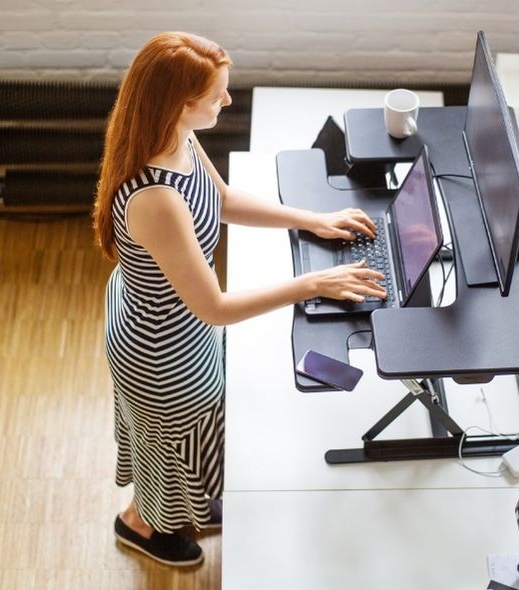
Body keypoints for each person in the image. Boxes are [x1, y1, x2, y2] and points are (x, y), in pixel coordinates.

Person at [92, 32, 386, 567]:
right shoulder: (156, 200)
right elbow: (217, 308)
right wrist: (315, 283)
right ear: (182, 104)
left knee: (193, 438)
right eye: (217, 95)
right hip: (161, 349)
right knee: (172, 446)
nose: (227, 101)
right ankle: (141, 525)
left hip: (172, 320)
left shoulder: (176, 137)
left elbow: (223, 201)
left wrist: (312, 218)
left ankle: (182, 504)